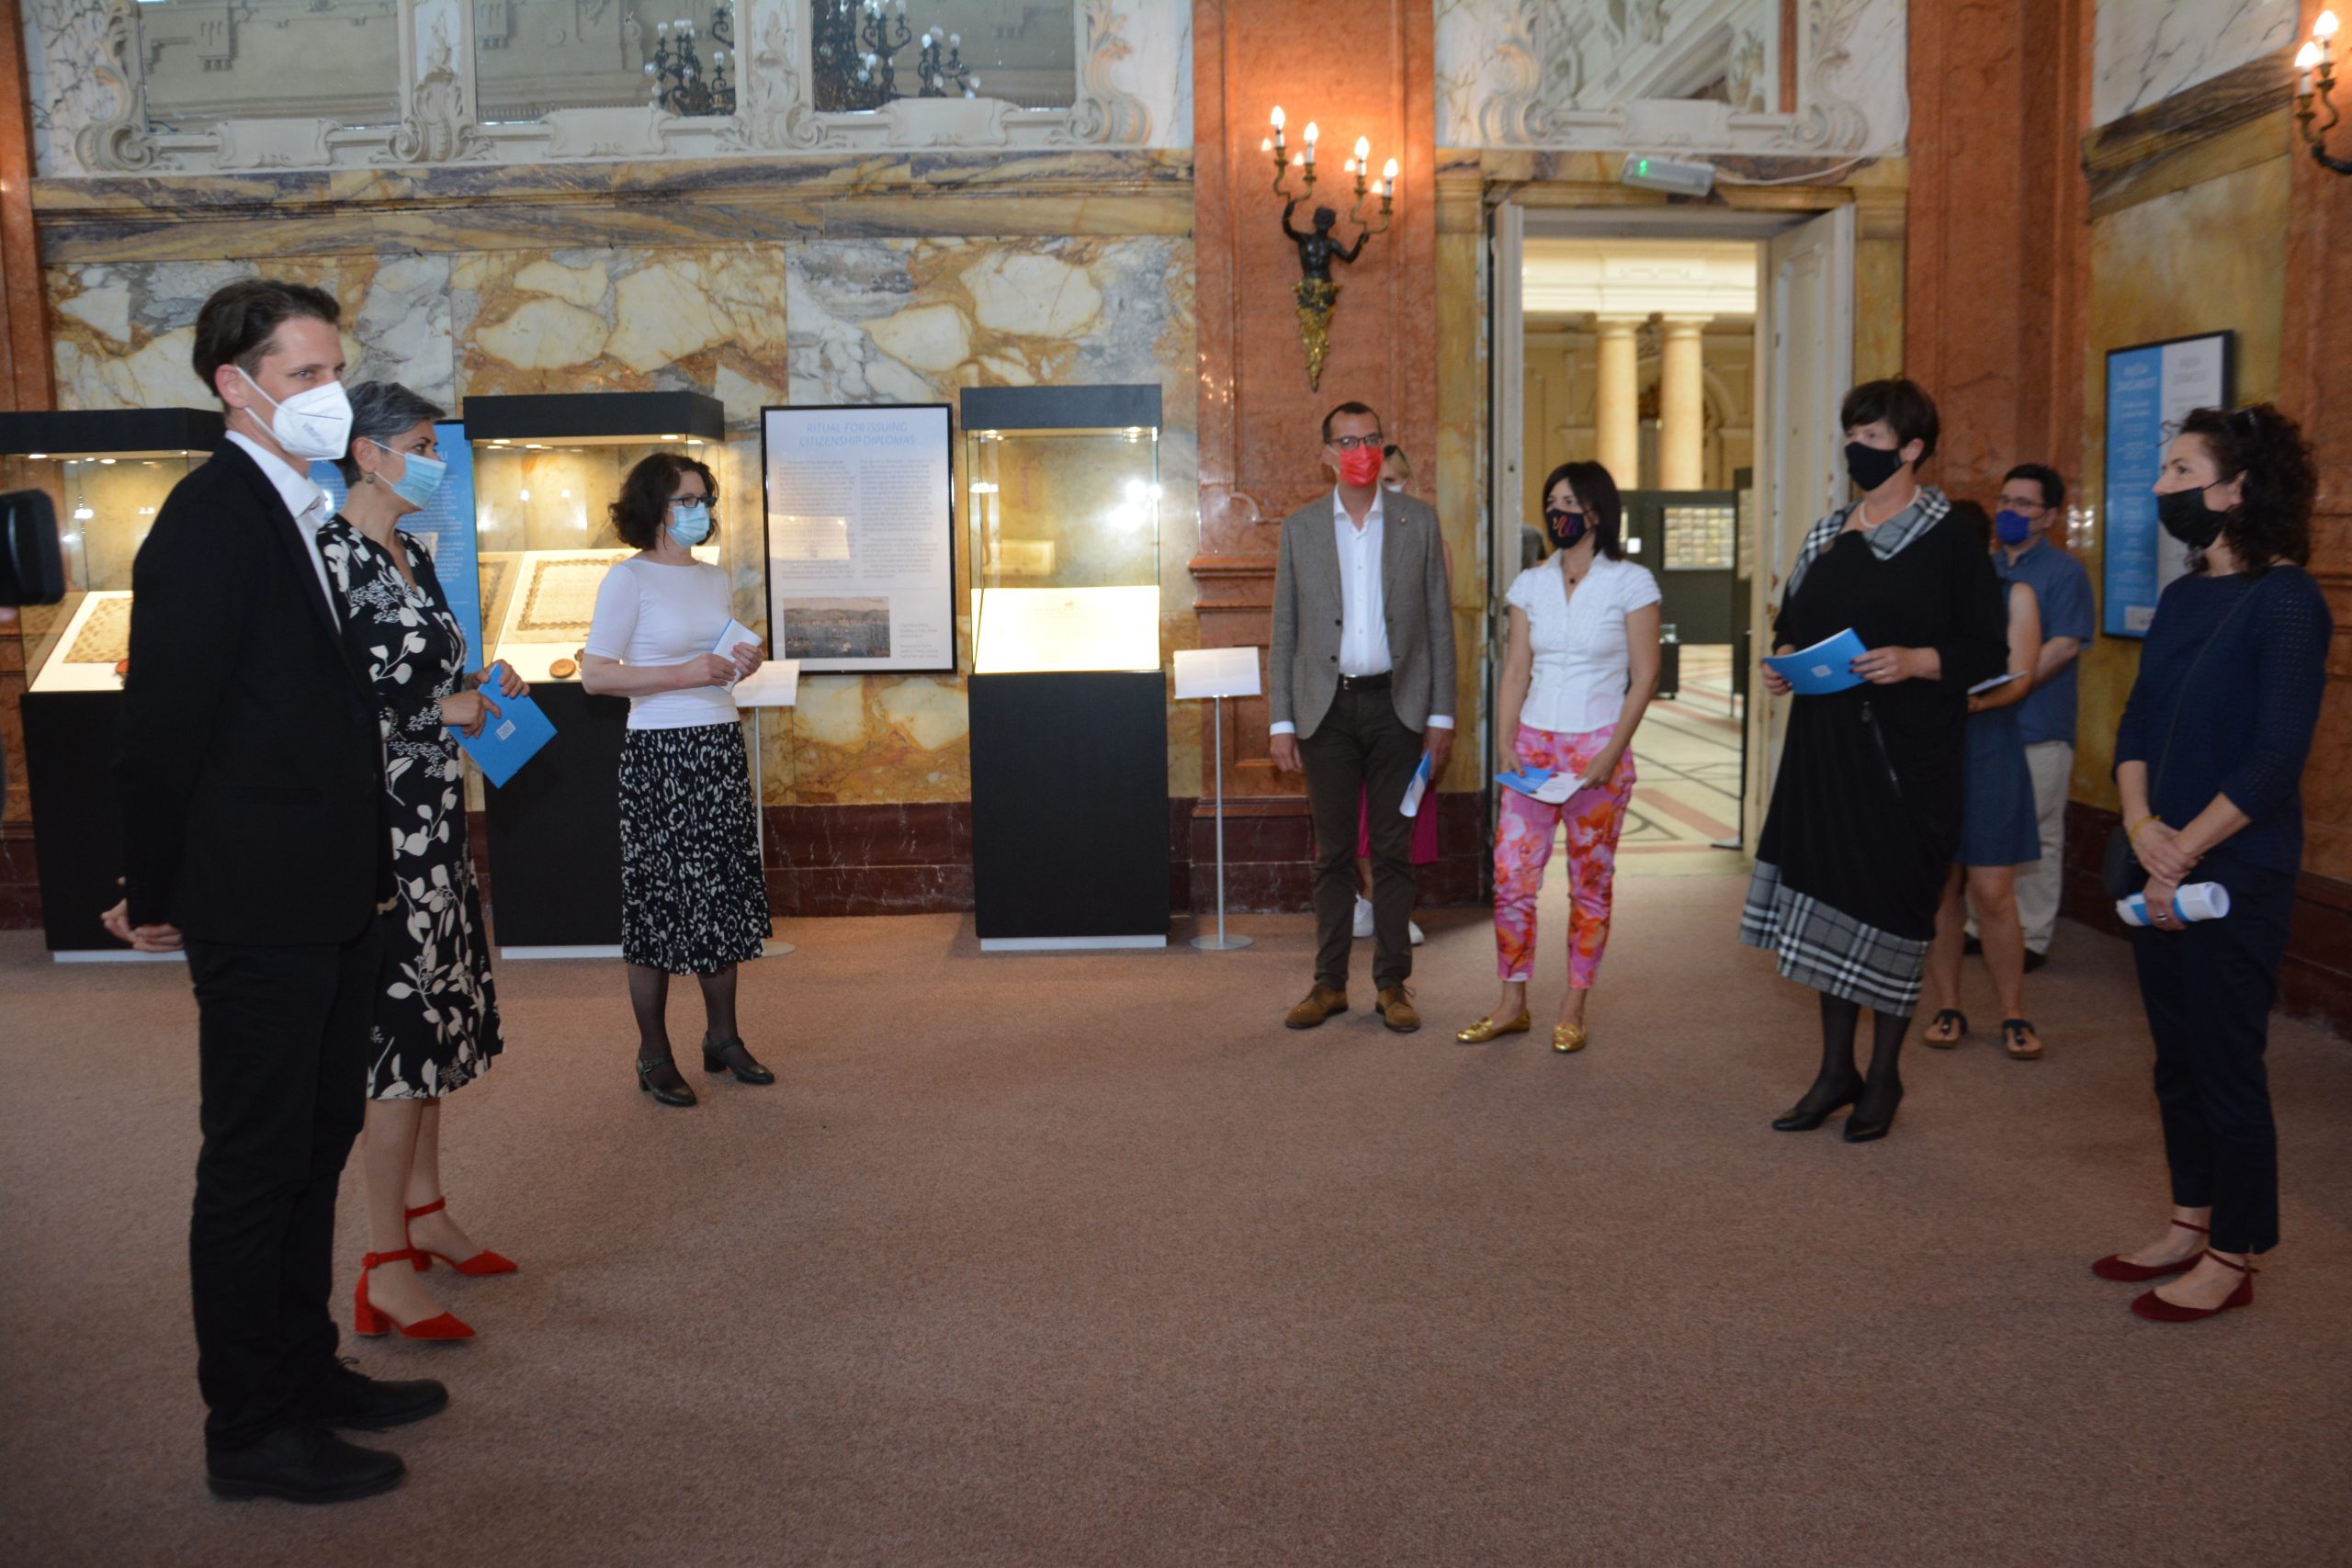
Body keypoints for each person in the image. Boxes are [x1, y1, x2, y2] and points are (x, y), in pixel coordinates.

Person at [101, 279, 444, 1504]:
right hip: (256, 896)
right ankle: (249, 1426)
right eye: (304, 375)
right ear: (233, 386)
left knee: (316, 1140)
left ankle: (304, 1370)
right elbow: (164, 722)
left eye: (333, 371)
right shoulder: (210, 518)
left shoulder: (298, 509)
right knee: (256, 1161)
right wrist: (147, 882)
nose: (328, 394)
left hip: (332, 891)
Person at [2095, 403, 2329, 1323]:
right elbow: (2137, 725)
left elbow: (2273, 761)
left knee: (2227, 1061)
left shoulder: (2288, 600)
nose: (2162, 486)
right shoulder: (2186, 595)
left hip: (2236, 871)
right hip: (2161, 856)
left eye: (2181, 471)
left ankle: (2235, 1252)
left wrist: (2180, 852)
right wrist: (2141, 826)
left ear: (2237, 490)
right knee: (2177, 1059)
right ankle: (2187, 1221)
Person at [1738, 378, 2006, 1142]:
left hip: (1907, 761)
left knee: (1892, 907)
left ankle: (1884, 1074)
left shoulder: (1949, 537)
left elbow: (1988, 650)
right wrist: (1785, 660)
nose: (1857, 448)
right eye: (1851, 434)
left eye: (1873, 437)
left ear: (1912, 447)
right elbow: (1792, 622)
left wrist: (1917, 660)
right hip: (1826, 753)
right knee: (1831, 899)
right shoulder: (1827, 533)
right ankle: (1835, 1070)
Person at [321, 382, 524, 1343]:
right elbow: (314, 708)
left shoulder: (418, 552)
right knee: (396, 1043)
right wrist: (439, 710)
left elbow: (428, 676)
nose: (437, 461)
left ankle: (428, 1215)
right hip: (380, 831)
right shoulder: (328, 559)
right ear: (366, 453)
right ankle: (381, 1263)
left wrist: (481, 683)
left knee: (437, 1023)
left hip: (437, 822)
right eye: (421, 444)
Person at [580, 452, 772, 1105]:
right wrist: (684, 673)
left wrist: (739, 663)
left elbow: (713, 661)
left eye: (703, 499)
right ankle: (653, 1052)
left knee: (722, 892)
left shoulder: (713, 578)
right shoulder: (627, 579)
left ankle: (723, 1037)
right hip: (660, 754)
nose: (698, 510)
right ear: (653, 508)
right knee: (659, 902)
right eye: (684, 500)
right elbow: (597, 675)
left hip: (717, 744)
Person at [1458, 459, 1660, 1053]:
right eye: (1552, 503)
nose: (1558, 514)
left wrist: (1611, 754)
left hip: (1598, 748)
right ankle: (1512, 1002)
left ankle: (1573, 1006)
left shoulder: (1631, 582)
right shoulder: (1531, 584)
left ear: (1597, 510)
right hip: (1533, 753)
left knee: (1589, 884)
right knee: (1511, 879)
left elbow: (1645, 676)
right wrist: (1505, 742)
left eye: (1570, 503)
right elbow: (1516, 670)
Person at [1269, 401, 1455, 1033]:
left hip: (1398, 708)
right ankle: (1328, 985)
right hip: (1324, 710)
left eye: (1371, 439)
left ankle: (1393, 984)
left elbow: (1439, 625)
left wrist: (1441, 715)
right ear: (1327, 454)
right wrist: (1281, 722)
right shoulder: (1299, 529)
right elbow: (1285, 631)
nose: (1361, 452)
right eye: (1347, 441)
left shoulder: (1417, 522)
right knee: (1333, 854)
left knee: (1394, 851)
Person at [1920, 501, 2045, 1061]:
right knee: (1941, 887)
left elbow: (2019, 680)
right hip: (1933, 750)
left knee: (1993, 890)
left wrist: (1969, 704)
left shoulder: (2015, 595)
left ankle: (2013, 1011)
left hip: (1990, 745)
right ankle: (1948, 1006)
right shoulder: (1921, 600)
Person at [1985, 463, 2093, 968]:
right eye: (2004, 501)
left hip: (2039, 727)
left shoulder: (2064, 573)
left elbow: (2065, 645)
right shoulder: (1983, 567)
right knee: (1985, 828)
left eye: (2023, 504)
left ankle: (2031, 935)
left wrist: (2011, 684)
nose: (2010, 511)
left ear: (2049, 516)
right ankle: (1979, 923)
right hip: (1984, 726)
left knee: (2038, 835)